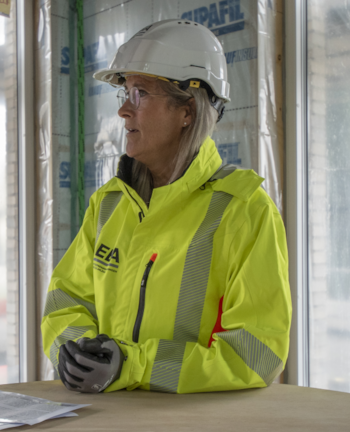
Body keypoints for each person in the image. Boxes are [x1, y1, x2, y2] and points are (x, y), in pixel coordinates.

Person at [41, 19, 291, 394]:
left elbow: (256, 353)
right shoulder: (109, 204)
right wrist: (76, 351)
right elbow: (66, 300)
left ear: (187, 111)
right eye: (124, 94)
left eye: (140, 93)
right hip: (105, 414)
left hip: (192, 421)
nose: (124, 110)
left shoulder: (244, 211)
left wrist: (132, 365)